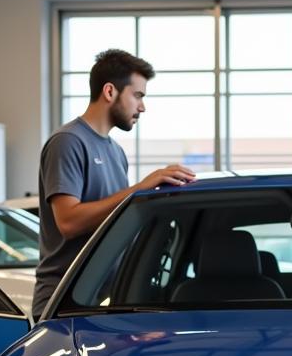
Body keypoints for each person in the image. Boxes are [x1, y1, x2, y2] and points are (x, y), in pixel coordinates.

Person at [32, 49, 196, 317]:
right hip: (64, 304)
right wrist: (138, 189)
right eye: (138, 95)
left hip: (106, 301)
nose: (142, 106)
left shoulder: (116, 152)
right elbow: (69, 222)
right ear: (110, 92)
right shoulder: (68, 142)